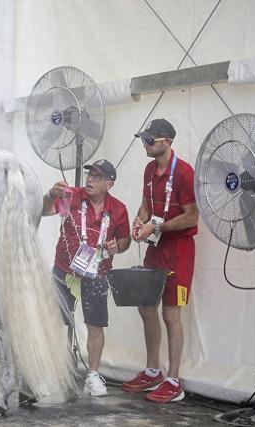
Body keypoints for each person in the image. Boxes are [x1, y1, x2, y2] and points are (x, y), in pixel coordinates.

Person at [122, 119, 199, 403]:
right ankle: (153, 371)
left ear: (167, 141)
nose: (145, 144)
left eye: (150, 140)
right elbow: (146, 203)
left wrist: (155, 227)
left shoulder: (185, 173)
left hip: (178, 250)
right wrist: (139, 219)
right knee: (145, 307)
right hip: (155, 248)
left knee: (171, 314)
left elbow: (192, 216)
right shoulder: (149, 169)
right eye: (143, 139)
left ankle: (174, 379)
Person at [42, 159, 130, 397]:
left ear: (109, 184)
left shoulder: (119, 209)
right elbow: (44, 210)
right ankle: (52, 371)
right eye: (90, 174)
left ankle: (92, 374)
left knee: (96, 324)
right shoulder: (71, 196)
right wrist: (51, 193)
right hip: (65, 269)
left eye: (98, 177)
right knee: (53, 321)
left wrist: (116, 246)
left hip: (97, 273)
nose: (90, 179)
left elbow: (125, 240)